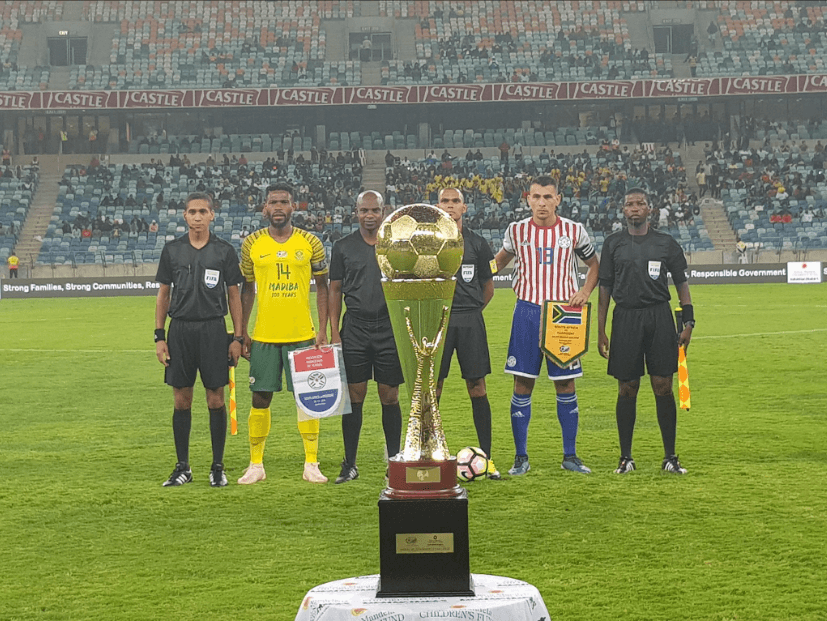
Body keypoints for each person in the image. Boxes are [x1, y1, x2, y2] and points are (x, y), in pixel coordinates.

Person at [494, 175, 600, 475]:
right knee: (522, 383)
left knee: (565, 384)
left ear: (558, 199)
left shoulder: (573, 231)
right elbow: (498, 263)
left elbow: (594, 265)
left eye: (548, 197)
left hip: (563, 315)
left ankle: (570, 456)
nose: (542, 203)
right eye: (536, 197)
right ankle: (521, 458)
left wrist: (584, 292)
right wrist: (476, 271)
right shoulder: (516, 231)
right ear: (528, 199)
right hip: (527, 313)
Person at [597, 188, 694, 475]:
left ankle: (670, 457)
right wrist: (601, 330)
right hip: (625, 318)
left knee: (663, 386)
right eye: (630, 204)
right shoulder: (612, 244)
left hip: (659, 317)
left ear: (649, 209)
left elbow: (681, 283)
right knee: (627, 387)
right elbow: (604, 288)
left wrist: (688, 322)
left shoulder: (666, 244)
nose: (635, 208)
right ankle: (625, 458)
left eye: (640, 203)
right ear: (623, 210)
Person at [239, 182, 330, 485]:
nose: (278, 207)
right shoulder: (251, 244)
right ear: (265, 208)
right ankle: (255, 464)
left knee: (308, 401)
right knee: (260, 399)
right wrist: (242, 333)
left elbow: (324, 288)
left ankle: (311, 463)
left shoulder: (311, 242)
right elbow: (246, 290)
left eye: (284, 202)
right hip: (264, 336)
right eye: (273, 202)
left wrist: (323, 330)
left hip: (302, 334)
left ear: (294, 207)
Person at [154, 192, 244, 487]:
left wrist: (238, 337)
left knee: (215, 398)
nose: (197, 216)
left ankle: (217, 466)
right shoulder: (172, 251)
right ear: (184, 216)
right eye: (192, 211)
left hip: (213, 330)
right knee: (182, 399)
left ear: (212, 215)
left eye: (202, 211)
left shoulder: (224, 251)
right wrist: (160, 336)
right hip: (179, 330)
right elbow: (163, 295)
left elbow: (234, 295)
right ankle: (183, 467)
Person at [328, 190, 404, 484]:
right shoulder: (344, 247)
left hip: (389, 328)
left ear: (384, 211)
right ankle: (350, 463)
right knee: (355, 396)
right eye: (364, 211)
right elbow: (335, 289)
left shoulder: (397, 245)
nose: (369, 216)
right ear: (355, 212)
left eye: (375, 210)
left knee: (390, 396)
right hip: (356, 328)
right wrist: (335, 332)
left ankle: (395, 462)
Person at [436, 188, 500, 479]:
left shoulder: (477, 243)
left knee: (477, 386)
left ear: (464, 207)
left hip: (470, 321)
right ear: (437, 207)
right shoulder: (426, 243)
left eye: (455, 202)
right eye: (445, 201)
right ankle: (427, 451)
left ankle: (487, 458)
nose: (450, 206)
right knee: (432, 389)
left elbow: (488, 286)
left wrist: (472, 313)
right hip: (438, 322)